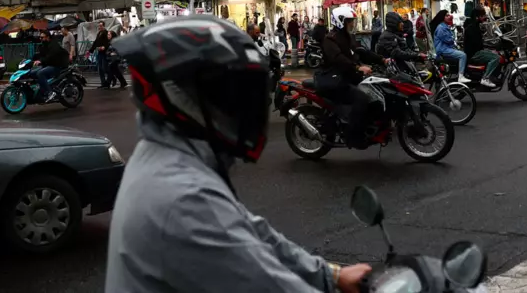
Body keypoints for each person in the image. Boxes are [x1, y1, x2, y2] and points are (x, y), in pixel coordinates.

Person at [106, 15, 371, 292]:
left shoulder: (167, 157)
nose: (242, 108)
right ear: (182, 97)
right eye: (231, 94)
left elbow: (251, 231)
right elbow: (269, 283)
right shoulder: (183, 199)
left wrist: (331, 275)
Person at [319, 5, 382, 148]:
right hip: (336, 80)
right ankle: (353, 136)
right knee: (362, 99)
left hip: (349, 76)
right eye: (349, 21)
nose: (352, 24)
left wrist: (382, 60)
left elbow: (361, 51)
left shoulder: (349, 37)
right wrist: (358, 67)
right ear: (340, 21)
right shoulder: (330, 39)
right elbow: (338, 58)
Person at [461, 5, 500, 88]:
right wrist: (490, 45)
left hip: (476, 51)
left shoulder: (475, 25)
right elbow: (476, 43)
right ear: (477, 17)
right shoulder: (472, 27)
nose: (485, 17)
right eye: (483, 16)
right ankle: (485, 78)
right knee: (496, 57)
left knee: (493, 53)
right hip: (474, 53)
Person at [432, 9, 469, 84]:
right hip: (443, 50)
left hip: (446, 48)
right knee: (463, 55)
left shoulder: (444, 26)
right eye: (447, 15)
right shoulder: (441, 28)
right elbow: (449, 40)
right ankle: (461, 76)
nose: (449, 17)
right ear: (443, 17)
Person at [31, 34, 70, 102]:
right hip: (49, 64)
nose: (40, 39)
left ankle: (50, 93)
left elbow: (50, 56)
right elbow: (40, 55)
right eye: (40, 37)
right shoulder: (44, 45)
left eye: (42, 37)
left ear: (47, 37)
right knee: (32, 72)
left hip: (58, 65)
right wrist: (30, 61)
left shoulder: (54, 44)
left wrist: (40, 61)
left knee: (40, 73)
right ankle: (40, 91)